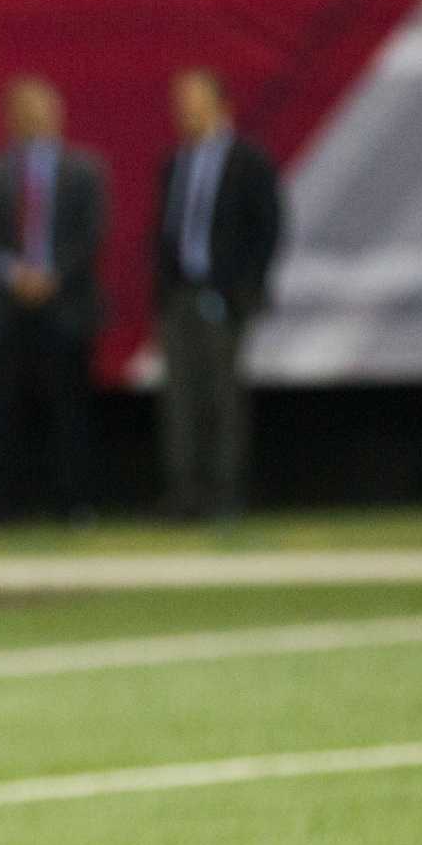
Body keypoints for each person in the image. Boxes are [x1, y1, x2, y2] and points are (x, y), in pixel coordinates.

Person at [0, 76, 107, 520]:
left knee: (68, 407)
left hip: (65, 303)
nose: (33, 119)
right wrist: (16, 275)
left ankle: (74, 501)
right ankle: (4, 503)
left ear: (58, 114)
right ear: (8, 118)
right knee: (4, 409)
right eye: (23, 110)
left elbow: (90, 235)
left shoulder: (85, 169)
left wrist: (51, 275)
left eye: (41, 109)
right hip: (6, 305)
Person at [153, 68, 283, 520]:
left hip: (225, 297)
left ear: (220, 104)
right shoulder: (176, 163)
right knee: (180, 398)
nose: (185, 110)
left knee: (222, 398)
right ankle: (185, 493)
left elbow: (268, 229)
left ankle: (225, 493)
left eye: (194, 99)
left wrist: (244, 289)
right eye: (181, 100)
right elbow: (167, 231)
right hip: (181, 296)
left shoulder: (248, 160)